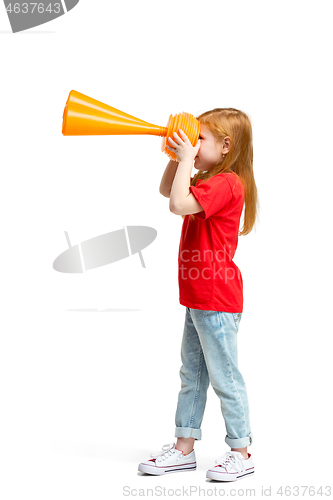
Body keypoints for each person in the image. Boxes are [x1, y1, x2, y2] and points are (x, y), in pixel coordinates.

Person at [138, 108, 258, 481]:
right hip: (198, 296)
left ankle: (242, 450)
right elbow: (166, 191)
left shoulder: (228, 184)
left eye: (200, 138)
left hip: (217, 298)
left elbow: (177, 205)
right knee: (192, 374)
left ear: (226, 146)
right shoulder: (208, 178)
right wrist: (179, 160)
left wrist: (185, 159)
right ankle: (184, 447)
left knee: (225, 377)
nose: (194, 142)